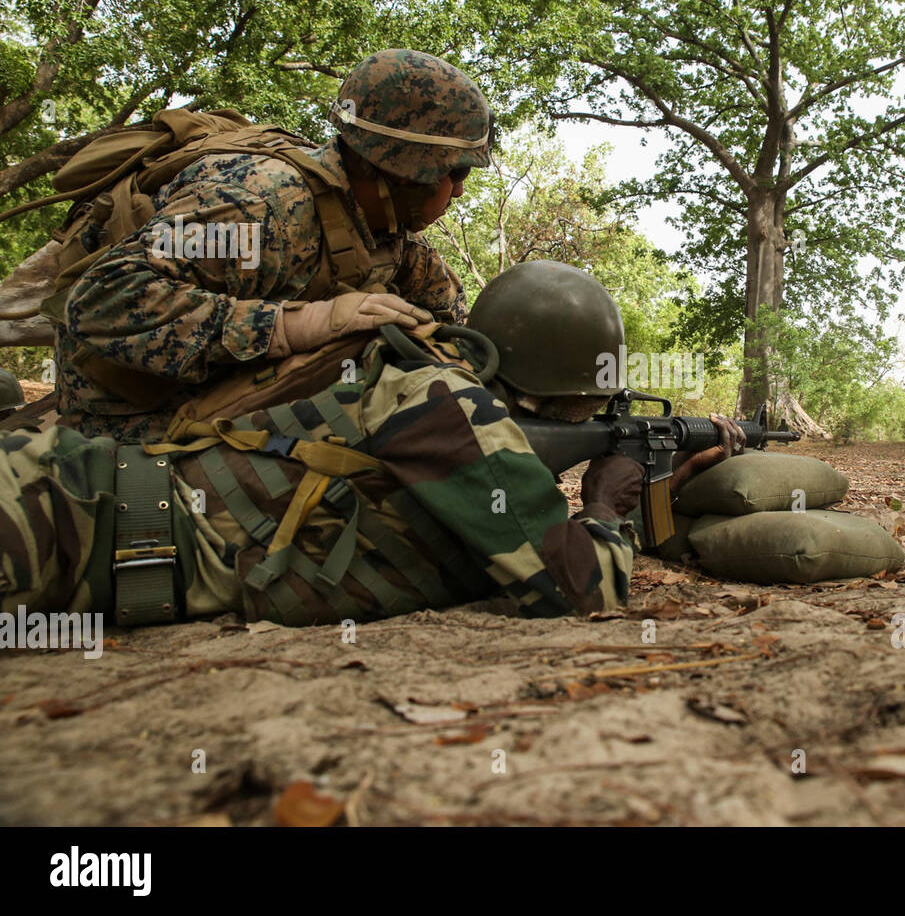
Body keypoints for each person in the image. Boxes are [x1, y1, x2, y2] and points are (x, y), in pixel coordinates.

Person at [0, 263, 742, 627]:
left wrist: (659, 489)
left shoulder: (431, 385)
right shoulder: (453, 410)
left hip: (97, 528)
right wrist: (609, 503)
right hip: (71, 516)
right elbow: (586, 590)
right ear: (565, 388)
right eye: (599, 401)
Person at [54, 49, 493, 441]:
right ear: (405, 172)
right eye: (457, 173)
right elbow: (99, 300)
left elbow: (463, 325)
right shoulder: (260, 209)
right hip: (130, 422)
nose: (456, 192)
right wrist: (297, 325)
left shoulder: (387, 232)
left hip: (228, 399)